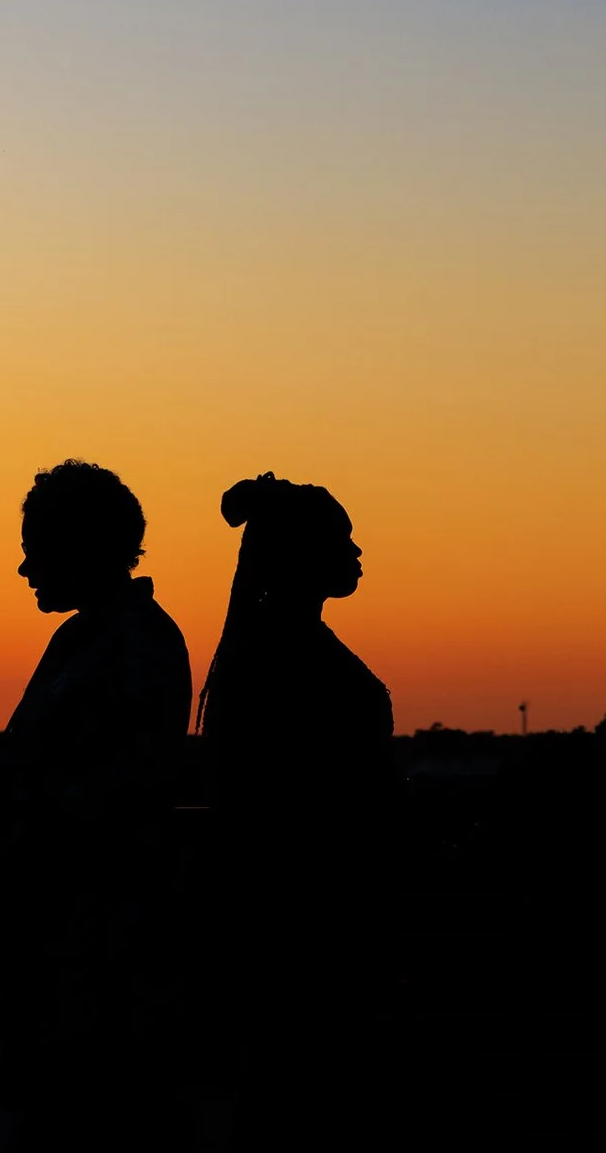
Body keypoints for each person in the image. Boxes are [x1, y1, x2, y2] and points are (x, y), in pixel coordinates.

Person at [0, 460, 192, 1147]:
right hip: (65, 940)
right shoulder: (92, 639)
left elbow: (124, 783)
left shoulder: (134, 643)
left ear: (80, 547)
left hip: (96, 949)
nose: (25, 566)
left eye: (36, 545)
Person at [196, 472, 394, 1148]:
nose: (358, 551)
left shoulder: (259, 656)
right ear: (302, 554)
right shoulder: (293, 662)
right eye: (342, 539)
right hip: (308, 923)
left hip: (288, 922)